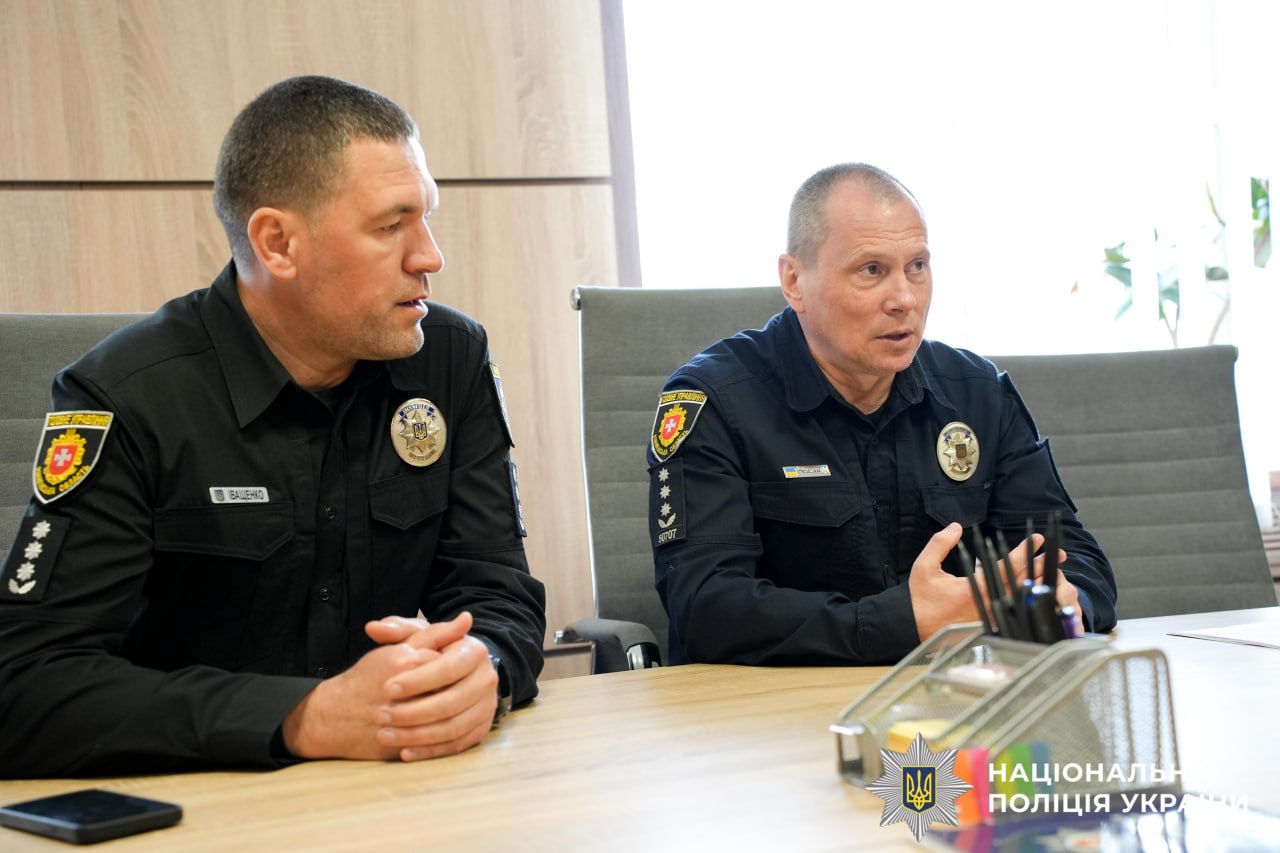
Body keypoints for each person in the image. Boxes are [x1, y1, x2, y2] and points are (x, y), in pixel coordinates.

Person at [0, 76, 546, 777]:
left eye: (426, 218)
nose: (429, 256)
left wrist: (483, 667)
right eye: (391, 225)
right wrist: (303, 716)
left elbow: (495, 592)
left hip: (395, 785)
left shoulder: (449, 358)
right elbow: (25, 684)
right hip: (200, 798)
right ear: (278, 243)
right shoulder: (127, 397)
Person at [647, 163, 1117, 666]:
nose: (905, 299)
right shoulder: (714, 401)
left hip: (955, 695)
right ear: (794, 281)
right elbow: (705, 607)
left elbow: (1078, 560)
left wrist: (1065, 605)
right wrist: (905, 623)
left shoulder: (977, 393)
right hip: (778, 703)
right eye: (871, 270)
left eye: (917, 266)